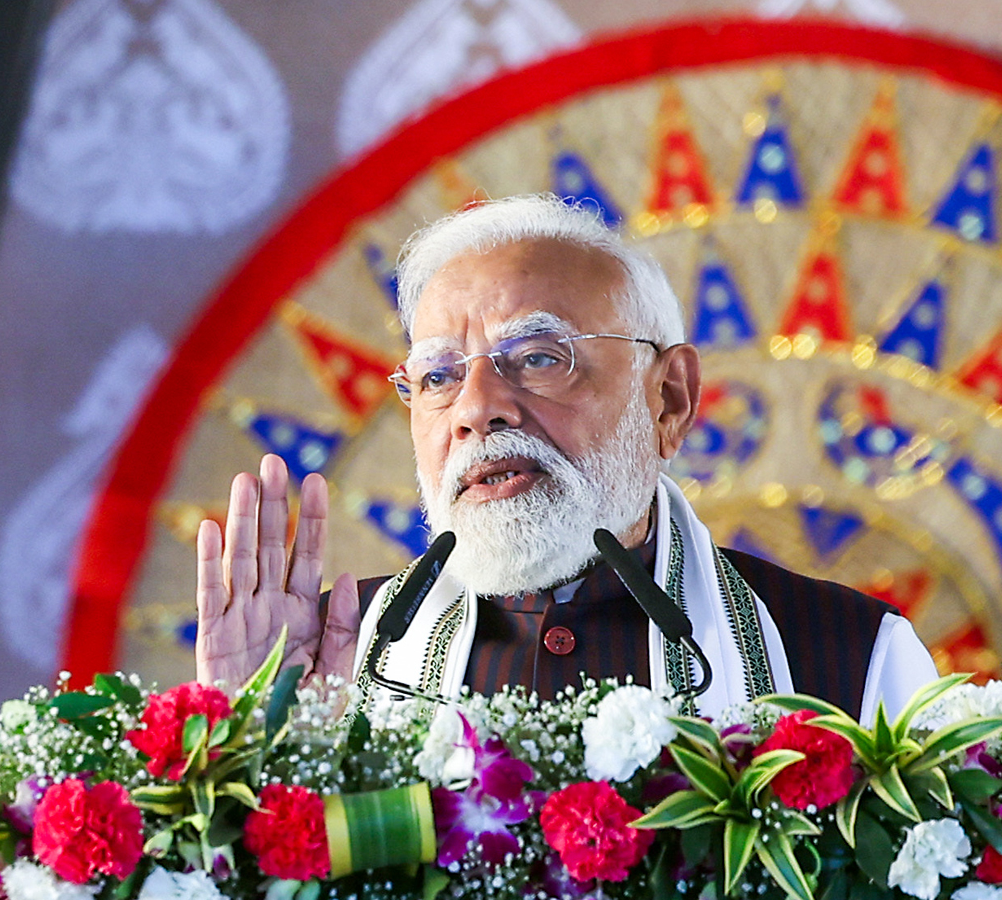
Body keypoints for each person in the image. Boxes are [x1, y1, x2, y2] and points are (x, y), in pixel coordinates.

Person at [194, 193, 936, 721]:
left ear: (670, 397)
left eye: (540, 357)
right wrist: (242, 765)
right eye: (438, 376)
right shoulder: (329, 663)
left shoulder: (852, 660)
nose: (476, 407)